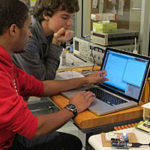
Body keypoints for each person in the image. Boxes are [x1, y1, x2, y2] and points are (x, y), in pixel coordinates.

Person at [0, 0, 108, 150]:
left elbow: (41, 86)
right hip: (6, 144)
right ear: (13, 30)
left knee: (71, 142)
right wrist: (73, 108)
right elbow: (34, 128)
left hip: (10, 135)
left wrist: (85, 80)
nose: (30, 33)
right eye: (26, 27)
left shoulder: (6, 64)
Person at [12, 0, 78, 80]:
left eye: (72, 17)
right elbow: (43, 80)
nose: (70, 23)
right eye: (65, 17)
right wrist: (56, 44)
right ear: (46, 15)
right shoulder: (28, 37)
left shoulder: (52, 33)